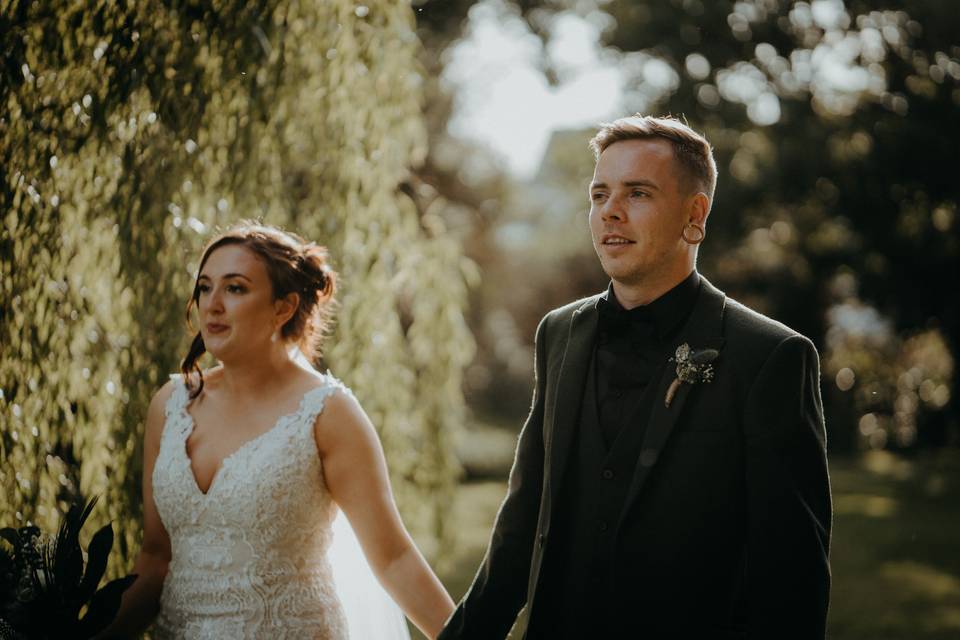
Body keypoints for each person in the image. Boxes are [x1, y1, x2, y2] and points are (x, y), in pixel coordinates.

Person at [439, 115, 832, 639]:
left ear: (695, 215)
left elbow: (791, 582)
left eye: (637, 194)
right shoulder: (558, 335)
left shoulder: (770, 357)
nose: (610, 212)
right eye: (599, 195)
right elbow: (521, 525)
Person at [103, 222, 454, 639]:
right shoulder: (170, 405)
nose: (212, 304)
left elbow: (394, 558)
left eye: (235, 288)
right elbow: (155, 558)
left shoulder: (327, 413)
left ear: (283, 308)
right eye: (204, 287)